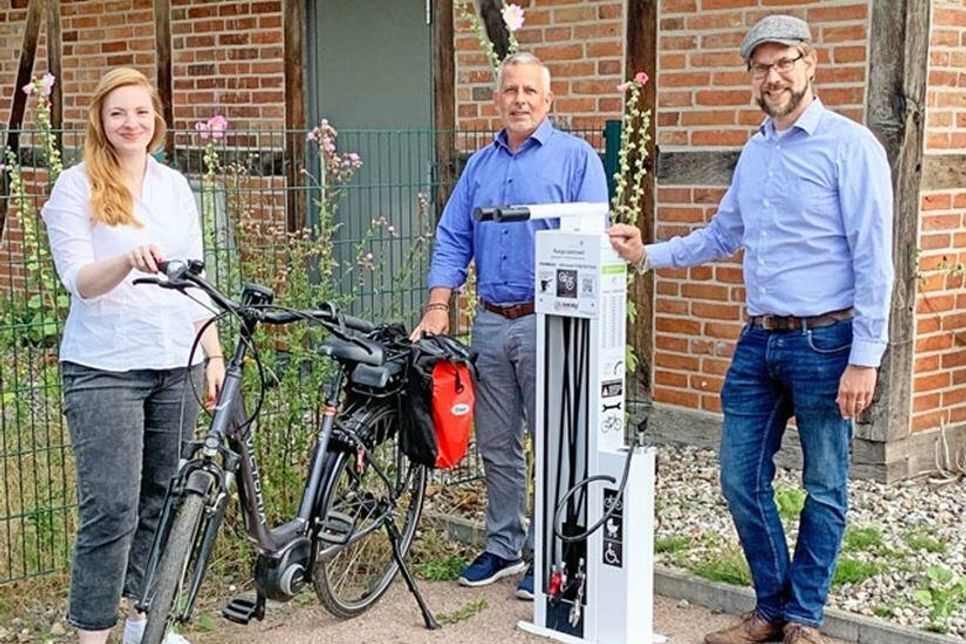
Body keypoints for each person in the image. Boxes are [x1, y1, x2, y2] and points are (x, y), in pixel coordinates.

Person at [608, 15, 893, 644]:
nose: (773, 76)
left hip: (828, 342)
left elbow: (875, 257)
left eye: (784, 61)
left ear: (810, 63)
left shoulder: (851, 147)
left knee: (825, 484)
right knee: (739, 480)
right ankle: (771, 608)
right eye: (761, 67)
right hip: (759, 340)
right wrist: (646, 254)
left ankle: (805, 619)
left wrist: (865, 358)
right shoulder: (756, 150)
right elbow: (722, 234)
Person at [411, 52, 608, 600]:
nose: (519, 100)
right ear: (497, 99)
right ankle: (503, 545)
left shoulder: (576, 160)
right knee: (496, 443)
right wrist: (438, 303)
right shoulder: (480, 166)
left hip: (550, 321)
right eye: (510, 91)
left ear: (548, 100)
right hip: (492, 324)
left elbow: (592, 239)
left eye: (530, 91)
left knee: (553, 442)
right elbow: (453, 236)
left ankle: (552, 550)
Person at [42, 68, 225, 644]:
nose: (131, 123)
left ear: (156, 120)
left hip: (178, 360)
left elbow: (196, 277)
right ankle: (93, 632)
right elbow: (79, 281)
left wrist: (212, 353)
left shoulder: (173, 185)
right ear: (100, 119)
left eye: (142, 112)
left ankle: (146, 623)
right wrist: (125, 261)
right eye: (119, 112)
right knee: (112, 508)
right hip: (105, 367)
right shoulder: (75, 188)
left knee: (164, 499)